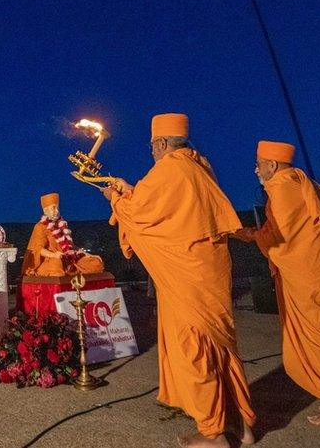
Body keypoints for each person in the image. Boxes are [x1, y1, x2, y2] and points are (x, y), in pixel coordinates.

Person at [103, 113, 254, 448]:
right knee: (220, 345)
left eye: (152, 147)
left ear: (160, 143)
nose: (152, 153)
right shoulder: (199, 165)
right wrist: (129, 190)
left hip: (186, 276)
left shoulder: (170, 169)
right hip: (209, 269)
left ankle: (214, 433)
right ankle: (240, 422)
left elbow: (142, 212)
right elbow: (167, 207)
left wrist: (116, 198)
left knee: (195, 346)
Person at [236, 140, 320, 429]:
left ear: (272, 165)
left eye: (258, 164)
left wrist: (246, 234)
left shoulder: (282, 188)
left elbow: (279, 240)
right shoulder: (298, 183)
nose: (255, 169)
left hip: (307, 277)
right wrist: (253, 233)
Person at [21, 193, 104, 277]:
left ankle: (71, 271)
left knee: (96, 263)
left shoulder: (61, 225)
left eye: (57, 208)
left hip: (69, 259)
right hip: (51, 260)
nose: (57, 211)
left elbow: (71, 246)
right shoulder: (40, 226)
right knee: (57, 266)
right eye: (53, 208)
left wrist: (88, 255)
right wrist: (53, 255)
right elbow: (38, 249)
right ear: (45, 210)